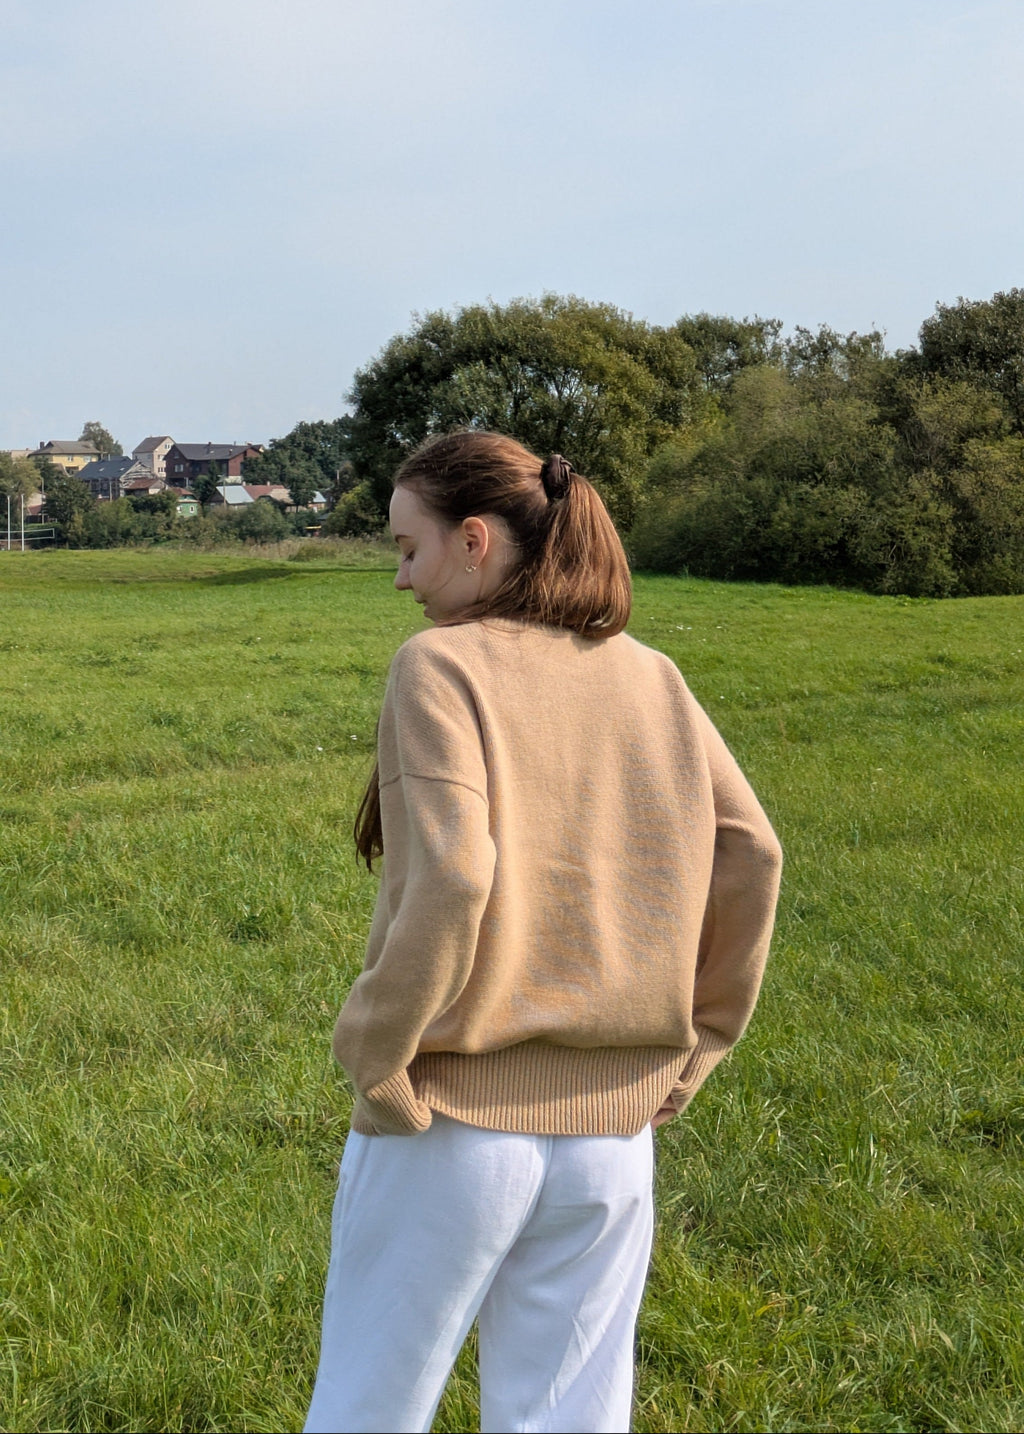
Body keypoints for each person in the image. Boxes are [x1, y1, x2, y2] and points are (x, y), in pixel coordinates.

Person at [304, 430, 782, 1434]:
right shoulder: (648, 674)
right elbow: (752, 856)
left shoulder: (438, 665)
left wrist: (378, 1055)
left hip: (452, 1125)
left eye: (406, 549)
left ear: (473, 540)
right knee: (567, 1418)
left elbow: (454, 873)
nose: (399, 580)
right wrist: (698, 1046)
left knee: (368, 1410)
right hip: (613, 1140)